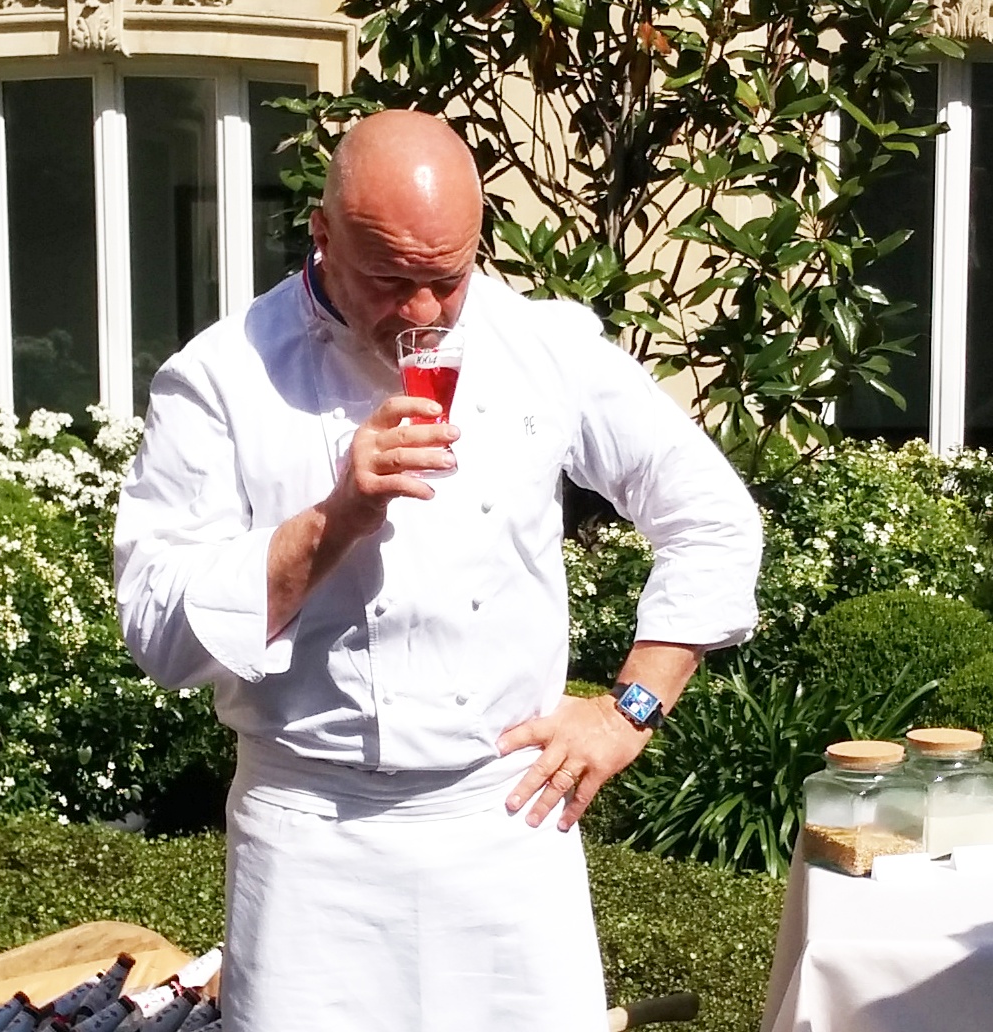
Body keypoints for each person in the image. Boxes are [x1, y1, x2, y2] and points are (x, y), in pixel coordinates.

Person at [114, 109, 762, 1032]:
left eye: (447, 279)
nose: (422, 313)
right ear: (322, 234)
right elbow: (159, 632)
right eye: (390, 280)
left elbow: (712, 514)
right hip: (310, 841)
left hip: (507, 822)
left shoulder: (543, 345)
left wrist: (630, 711)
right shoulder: (222, 377)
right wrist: (337, 517)